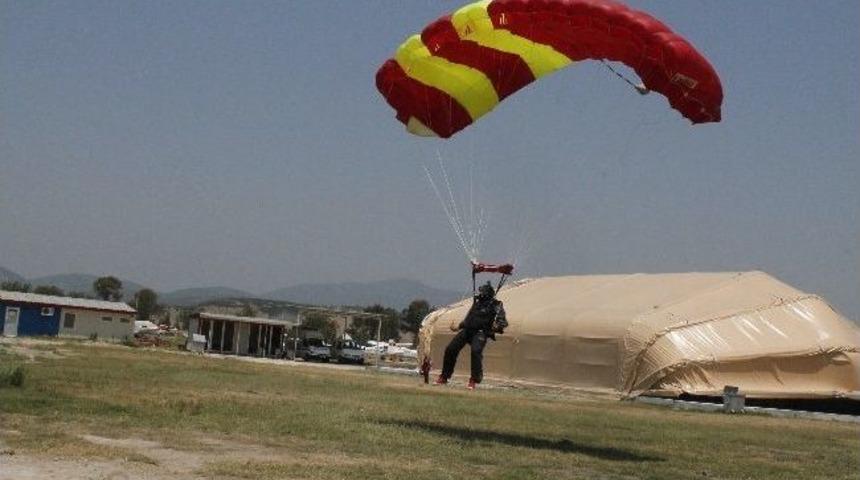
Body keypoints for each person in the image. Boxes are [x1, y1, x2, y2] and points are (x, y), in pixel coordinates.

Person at [434, 281, 507, 390]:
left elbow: (503, 322)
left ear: (487, 293)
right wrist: (458, 327)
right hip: (467, 330)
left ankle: (474, 379)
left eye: (482, 292)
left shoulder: (496, 305)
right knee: (450, 349)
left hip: (480, 332)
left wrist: (496, 327)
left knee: (475, 351)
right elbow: (469, 319)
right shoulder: (477, 303)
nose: (480, 294)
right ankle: (444, 376)